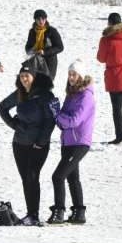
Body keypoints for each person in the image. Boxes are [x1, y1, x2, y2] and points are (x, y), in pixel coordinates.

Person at [0, 63, 59, 226]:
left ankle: (34, 214)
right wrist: (14, 125)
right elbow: (2, 107)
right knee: (26, 178)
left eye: (27, 76)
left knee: (33, 176)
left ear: (34, 77)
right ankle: (31, 214)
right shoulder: (20, 93)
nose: (24, 79)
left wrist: (41, 142)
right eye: (22, 76)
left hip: (38, 145)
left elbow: (49, 122)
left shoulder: (45, 96)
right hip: (19, 143)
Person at [47, 61, 94, 225]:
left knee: (58, 176)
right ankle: (79, 213)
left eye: (74, 74)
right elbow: (62, 123)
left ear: (82, 76)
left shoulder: (86, 96)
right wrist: (57, 114)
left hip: (80, 142)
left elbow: (74, 121)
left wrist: (57, 114)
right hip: (67, 142)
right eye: (69, 74)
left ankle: (59, 211)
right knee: (73, 178)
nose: (71, 77)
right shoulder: (71, 94)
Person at [96, 12, 122, 144]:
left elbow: (101, 58)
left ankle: (119, 137)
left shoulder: (106, 40)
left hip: (114, 77)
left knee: (117, 109)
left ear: (109, 23)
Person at [24, 9, 64, 83]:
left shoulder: (52, 31)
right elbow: (27, 47)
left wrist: (44, 52)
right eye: (38, 19)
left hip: (50, 62)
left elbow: (60, 47)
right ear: (35, 20)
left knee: (47, 84)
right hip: (35, 61)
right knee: (34, 84)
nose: (41, 21)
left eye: (43, 18)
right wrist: (31, 51)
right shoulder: (32, 32)